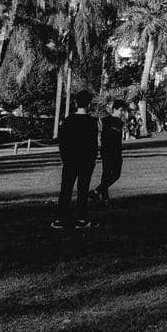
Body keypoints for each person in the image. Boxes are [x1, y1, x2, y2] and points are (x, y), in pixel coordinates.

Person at [53, 89, 99, 230]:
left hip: (70, 160)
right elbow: (93, 144)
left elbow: (62, 143)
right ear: (89, 104)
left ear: (75, 103)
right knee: (82, 190)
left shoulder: (68, 121)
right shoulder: (92, 122)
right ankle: (81, 219)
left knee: (66, 189)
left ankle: (60, 219)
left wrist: (65, 158)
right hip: (85, 161)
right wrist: (92, 160)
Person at [94, 104, 125, 205]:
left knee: (116, 174)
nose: (122, 112)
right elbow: (103, 136)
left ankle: (96, 192)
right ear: (114, 109)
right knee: (107, 173)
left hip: (117, 151)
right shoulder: (105, 120)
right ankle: (104, 197)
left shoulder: (120, 122)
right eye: (120, 110)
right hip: (108, 150)